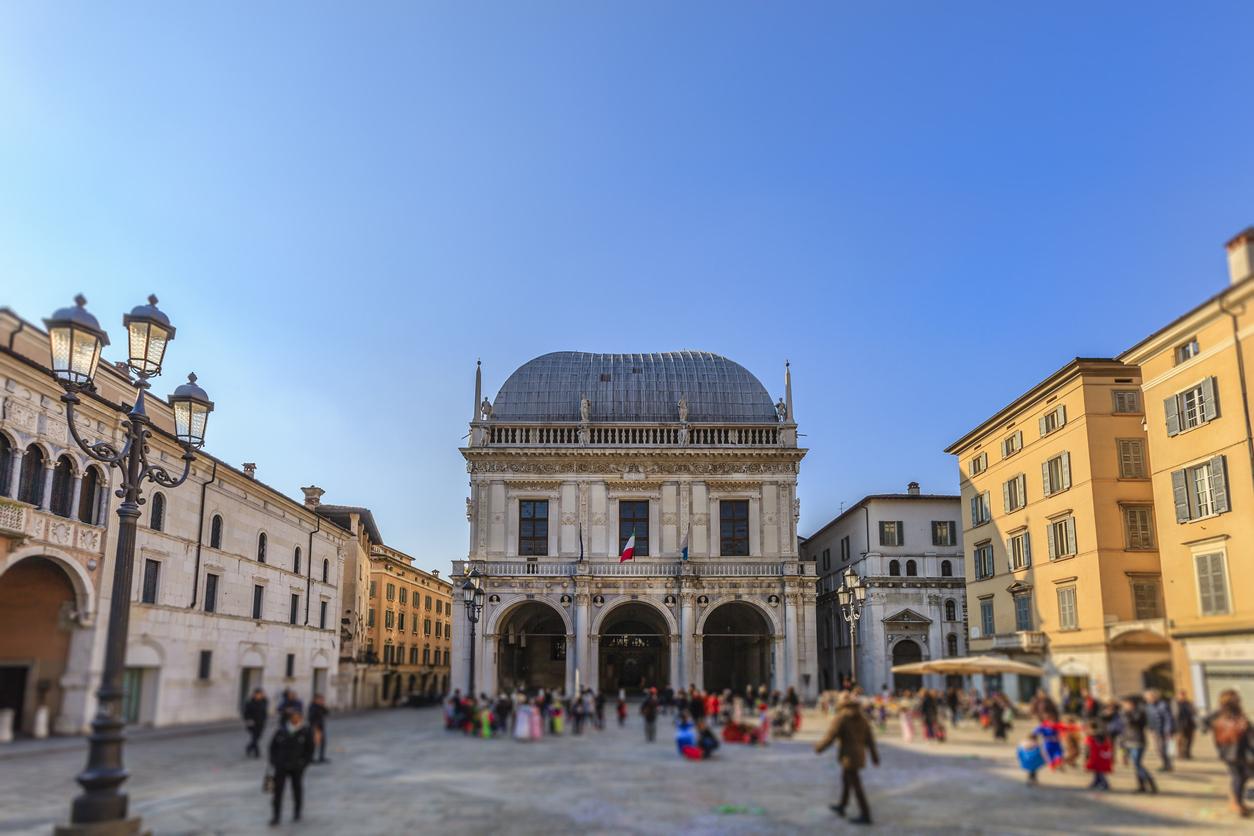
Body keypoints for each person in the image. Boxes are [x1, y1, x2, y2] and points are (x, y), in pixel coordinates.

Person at [815, 693, 879, 825]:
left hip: (848, 755)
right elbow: (870, 739)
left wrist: (819, 747)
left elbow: (831, 735)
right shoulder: (862, 717)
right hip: (859, 753)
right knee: (846, 780)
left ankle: (865, 814)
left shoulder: (842, 717)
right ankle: (842, 806)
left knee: (856, 785)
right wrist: (874, 757)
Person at [1203, 688, 1252, 818]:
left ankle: (1236, 801)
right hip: (1233, 752)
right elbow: (1203, 722)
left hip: (1238, 751)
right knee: (1239, 777)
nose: (1239, 700)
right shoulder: (1221, 714)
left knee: (1242, 776)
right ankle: (1236, 803)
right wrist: (1213, 728)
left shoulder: (1236, 714)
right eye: (1236, 698)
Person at [268, 707, 315, 826]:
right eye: (293, 716)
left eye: (297, 717)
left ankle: (297, 812)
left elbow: (310, 750)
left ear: (301, 718)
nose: (295, 718)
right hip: (281, 766)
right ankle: (276, 816)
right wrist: (275, 761)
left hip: (297, 766)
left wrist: (303, 763)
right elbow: (272, 747)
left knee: (297, 789)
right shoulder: (281, 730)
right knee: (277, 792)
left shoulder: (306, 731)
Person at [1119, 697, 1157, 794]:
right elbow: (1124, 729)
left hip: (1137, 741)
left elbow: (1133, 722)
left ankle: (1151, 783)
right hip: (1129, 741)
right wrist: (1122, 743)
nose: (1124, 706)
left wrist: (1127, 713)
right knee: (1136, 765)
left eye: (1126, 704)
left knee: (1137, 764)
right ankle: (1141, 786)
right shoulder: (1126, 714)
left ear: (1131, 704)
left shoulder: (1139, 712)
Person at [1145, 689, 1175, 772]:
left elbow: (1168, 718)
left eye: (1149, 697)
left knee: (1164, 749)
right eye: (1146, 698)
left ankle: (1168, 765)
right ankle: (1166, 764)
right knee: (1158, 749)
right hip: (1155, 731)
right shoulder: (1148, 706)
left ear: (1155, 697)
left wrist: (1168, 731)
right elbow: (1149, 718)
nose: (1147, 699)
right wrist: (1150, 729)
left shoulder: (1163, 705)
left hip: (1164, 731)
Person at [1084, 720, 1114, 791]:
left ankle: (1105, 784)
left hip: (1099, 757)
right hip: (1095, 756)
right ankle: (1096, 782)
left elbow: (1100, 746)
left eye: (1088, 728)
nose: (1087, 730)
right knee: (1096, 770)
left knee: (1100, 771)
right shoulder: (1093, 736)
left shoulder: (1098, 735)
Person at [243, 688, 269, 759]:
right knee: (255, 737)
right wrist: (248, 720)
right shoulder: (249, 703)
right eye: (257, 694)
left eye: (260, 694)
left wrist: (264, 720)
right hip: (252, 723)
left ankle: (249, 747)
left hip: (261, 723)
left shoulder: (264, 702)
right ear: (254, 695)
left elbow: (264, 711)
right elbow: (246, 713)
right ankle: (257, 752)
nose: (258, 696)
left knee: (258, 737)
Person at [1174, 691, 1196, 760]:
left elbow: (1193, 712)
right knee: (1180, 740)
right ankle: (1180, 754)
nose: (1182, 696)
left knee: (1189, 739)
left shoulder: (1189, 703)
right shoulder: (1175, 703)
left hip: (1189, 724)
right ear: (1177, 696)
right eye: (1181, 695)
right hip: (1179, 724)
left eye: (1183, 695)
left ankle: (1187, 753)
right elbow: (1174, 714)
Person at [307, 693, 329, 764]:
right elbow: (311, 717)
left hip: (320, 726)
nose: (322, 701)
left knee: (323, 743)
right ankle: (310, 758)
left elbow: (327, 712)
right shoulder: (312, 707)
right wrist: (314, 726)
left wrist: (322, 705)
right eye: (320, 700)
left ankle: (321, 757)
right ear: (316, 700)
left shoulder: (320, 706)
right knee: (313, 743)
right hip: (315, 727)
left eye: (322, 700)